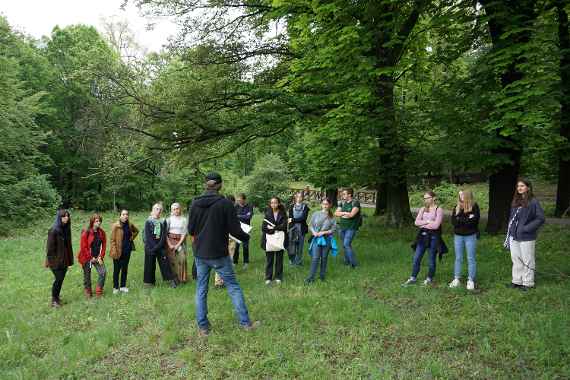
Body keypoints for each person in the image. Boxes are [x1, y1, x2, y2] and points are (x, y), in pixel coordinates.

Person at [188, 172, 259, 336]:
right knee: (233, 287)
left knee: (201, 289)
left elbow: (191, 230)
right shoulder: (225, 204)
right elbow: (235, 230)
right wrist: (246, 237)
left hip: (200, 253)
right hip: (219, 253)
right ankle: (246, 323)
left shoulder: (195, 203)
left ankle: (203, 328)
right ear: (220, 185)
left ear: (206, 184)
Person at [505, 179, 545, 291]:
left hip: (527, 236)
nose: (519, 188)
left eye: (522, 186)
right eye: (518, 186)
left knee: (528, 260)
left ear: (528, 187)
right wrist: (512, 230)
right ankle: (517, 281)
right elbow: (512, 218)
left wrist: (526, 228)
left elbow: (540, 218)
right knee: (516, 259)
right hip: (514, 236)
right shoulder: (516, 201)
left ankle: (528, 283)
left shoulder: (533, 202)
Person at [403, 191, 445, 286]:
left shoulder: (439, 210)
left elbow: (436, 226)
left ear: (433, 198)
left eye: (427, 198)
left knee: (431, 260)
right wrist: (428, 221)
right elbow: (416, 222)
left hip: (434, 237)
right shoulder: (423, 209)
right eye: (424, 198)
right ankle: (413, 277)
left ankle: (429, 278)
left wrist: (424, 224)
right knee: (416, 258)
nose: (425, 200)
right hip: (422, 236)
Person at [449, 190, 480, 290]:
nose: (460, 196)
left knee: (471, 258)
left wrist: (460, 219)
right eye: (459, 195)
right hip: (458, 236)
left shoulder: (474, 206)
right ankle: (456, 278)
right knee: (458, 258)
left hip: (470, 236)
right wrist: (466, 219)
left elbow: (474, 222)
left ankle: (470, 280)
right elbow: (453, 222)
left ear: (467, 195)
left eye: (462, 194)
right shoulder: (457, 207)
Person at [143, 203, 177, 288]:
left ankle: (170, 281)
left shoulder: (163, 221)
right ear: (153, 210)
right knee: (149, 265)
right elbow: (148, 236)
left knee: (165, 264)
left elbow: (163, 235)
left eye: (160, 209)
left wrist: (159, 246)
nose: (158, 211)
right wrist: (154, 247)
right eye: (156, 209)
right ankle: (149, 282)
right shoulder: (148, 221)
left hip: (160, 246)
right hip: (150, 247)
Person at [45, 209, 74, 307]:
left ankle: (57, 297)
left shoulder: (66, 229)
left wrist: (68, 261)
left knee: (61, 279)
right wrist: (54, 263)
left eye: (67, 216)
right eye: (63, 216)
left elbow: (67, 246)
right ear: (59, 218)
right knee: (58, 279)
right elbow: (49, 250)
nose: (66, 218)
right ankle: (54, 300)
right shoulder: (54, 230)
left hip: (64, 260)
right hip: (55, 261)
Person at [305, 197, 337, 283]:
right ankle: (310, 278)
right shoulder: (316, 213)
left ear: (330, 205)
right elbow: (310, 225)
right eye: (323, 204)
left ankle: (322, 276)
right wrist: (314, 232)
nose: (325, 206)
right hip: (316, 239)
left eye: (326, 204)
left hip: (326, 239)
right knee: (315, 258)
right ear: (321, 204)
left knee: (324, 258)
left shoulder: (332, 216)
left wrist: (324, 232)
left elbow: (334, 229)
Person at [109, 210, 139, 294]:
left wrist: (131, 238)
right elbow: (112, 240)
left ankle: (122, 286)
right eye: (123, 214)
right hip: (118, 251)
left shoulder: (129, 224)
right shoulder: (116, 225)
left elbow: (136, 231)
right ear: (120, 216)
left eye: (127, 214)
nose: (125, 216)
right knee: (116, 270)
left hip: (127, 250)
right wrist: (114, 250)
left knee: (125, 269)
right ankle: (115, 287)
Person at [78, 214, 107, 298]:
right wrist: (91, 258)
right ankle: (88, 291)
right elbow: (83, 247)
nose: (98, 223)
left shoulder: (101, 232)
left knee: (103, 272)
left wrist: (100, 256)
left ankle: (99, 290)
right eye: (96, 221)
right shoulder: (86, 232)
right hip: (87, 257)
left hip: (98, 257)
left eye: (99, 221)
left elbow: (104, 245)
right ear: (92, 222)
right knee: (87, 274)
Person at [261, 197, 289, 285]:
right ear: (270, 204)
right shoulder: (267, 213)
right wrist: (274, 230)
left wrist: (274, 227)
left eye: (275, 203)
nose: (274, 204)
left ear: (279, 203)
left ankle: (278, 277)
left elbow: (284, 226)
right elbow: (264, 228)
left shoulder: (283, 214)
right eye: (272, 203)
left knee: (279, 259)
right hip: (270, 240)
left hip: (280, 239)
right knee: (269, 259)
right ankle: (268, 277)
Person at [335, 188, 361, 268]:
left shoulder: (355, 203)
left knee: (346, 244)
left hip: (351, 227)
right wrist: (345, 213)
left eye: (344, 194)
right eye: (342, 194)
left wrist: (343, 214)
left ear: (349, 194)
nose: (342, 195)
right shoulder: (342, 203)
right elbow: (336, 213)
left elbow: (351, 215)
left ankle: (354, 264)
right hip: (342, 227)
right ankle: (346, 261)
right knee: (344, 245)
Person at [166, 203, 189, 284]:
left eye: (177, 208)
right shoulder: (168, 220)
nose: (176, 210)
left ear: (180, 209)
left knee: (182, 259)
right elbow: (165, 234)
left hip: (180, 242)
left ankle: (182, 278)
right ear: (171, 210)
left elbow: (184, 233)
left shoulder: (184, 220)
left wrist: (178, 244)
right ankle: (173, 279)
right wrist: (169, 244)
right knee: (171, 260)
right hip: (170, 241)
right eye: (174, 209)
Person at [287, 192, 310, 266]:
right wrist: (293, 220)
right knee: (292, 245)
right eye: (298, 197)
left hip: (302, 229)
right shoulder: (291, 206)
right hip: (293, 228)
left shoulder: (305, 207)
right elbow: (289, 218)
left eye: (301, 197)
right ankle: (292, 261)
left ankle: (299, 261)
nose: (299, 198)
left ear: (302, 198)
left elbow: (303, 218)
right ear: (295, 197)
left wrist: (293, 220)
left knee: (300, 246)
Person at [234, 193, 253, 269]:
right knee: (236, 246)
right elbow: (233, 217)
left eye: (240, 199)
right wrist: (243, 216)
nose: (238, 201)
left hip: (246, 229)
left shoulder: (249, 206)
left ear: (244, 199)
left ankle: (246, 262)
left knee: (245, 246)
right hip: (237, 228)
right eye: (238, 199)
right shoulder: (236, 206)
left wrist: (238, 216)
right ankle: (235, 262)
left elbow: (248, 217)